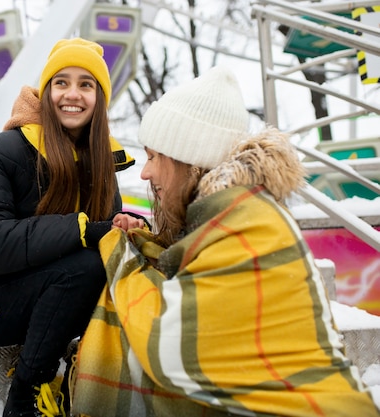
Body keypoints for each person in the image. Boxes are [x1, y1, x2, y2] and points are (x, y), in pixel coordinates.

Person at [71, 66, 380, 417]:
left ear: (188, 158)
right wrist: (145, 242)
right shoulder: (227, 216)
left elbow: (172, 346)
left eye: (154, 156)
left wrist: (120, 253)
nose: (145, 171)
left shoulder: (250, 224)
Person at [0, 37, 145, 417]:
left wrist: (121, 228)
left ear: (99, 98)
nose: (73, 94)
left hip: (61, 299)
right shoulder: (6, 150)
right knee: (87, 264)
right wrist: (85, 229)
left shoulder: (105, 164)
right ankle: (24, 398)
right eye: (62, 83)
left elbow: (103, 238)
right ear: (46, 91)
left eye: (86, 84)